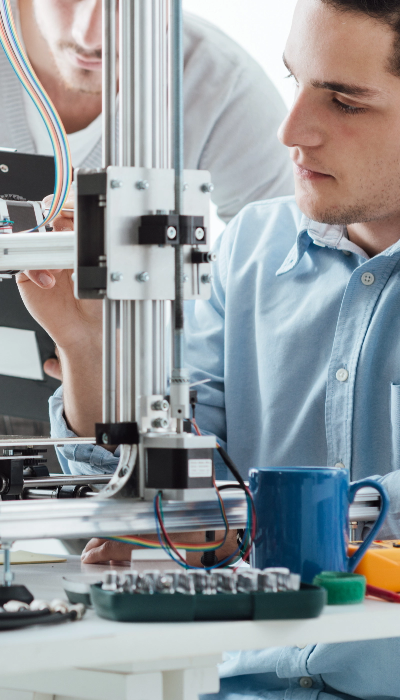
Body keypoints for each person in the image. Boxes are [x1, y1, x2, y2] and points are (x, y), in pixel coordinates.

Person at [14, 0, 400, 697]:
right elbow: (147, 505)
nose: (291, 131)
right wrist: (84, 347)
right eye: (295, 83)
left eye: (343, 100)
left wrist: (236, 525)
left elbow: (204, 524)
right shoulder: (254, 245)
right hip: (232, 684)